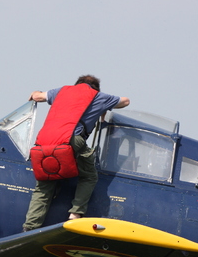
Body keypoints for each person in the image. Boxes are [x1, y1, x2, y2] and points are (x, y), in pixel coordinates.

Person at [22, 75, 129, 231]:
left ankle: (29, 227)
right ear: (95, 88)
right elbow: (126, 101)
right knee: (89, 176)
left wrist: (34, 92)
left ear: (77, 84)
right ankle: (76, 214)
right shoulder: (99, 96)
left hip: (45, 140)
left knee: (44, 185)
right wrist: (105, 107)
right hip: (71, 139)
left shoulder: (61, 91)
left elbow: (37, 96)